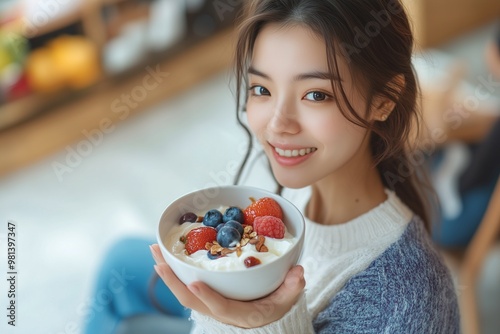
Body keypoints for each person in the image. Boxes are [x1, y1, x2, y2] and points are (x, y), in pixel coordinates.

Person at [86, 1, 461, 333]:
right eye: (262, 90)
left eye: (316, 94)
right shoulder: (297, 190)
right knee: (120, 261)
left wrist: (261, 324)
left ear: (384, 100)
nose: (278, 124)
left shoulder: (406, 301)